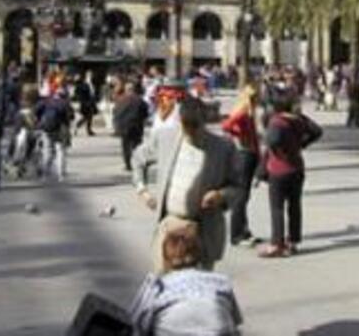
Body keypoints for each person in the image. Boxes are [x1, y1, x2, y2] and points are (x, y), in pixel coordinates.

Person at [132, 97, 242, 273]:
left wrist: (221, 195)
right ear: (180, 122)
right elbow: (138, 158)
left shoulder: (224, 148)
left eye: (195, 127)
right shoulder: (165, 138)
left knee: (198, 289)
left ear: (204, 122)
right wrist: (142, 189)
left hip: (203, 230)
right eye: (186, 127)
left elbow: (239, 186)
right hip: (170, 226)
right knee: (165, 286)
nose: (191, 132)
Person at [129, 226, 243, 336]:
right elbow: (235, 321)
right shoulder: (220, 282)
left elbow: (136, 324)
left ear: (165, 258)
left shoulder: (157, 287)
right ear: (199, 255)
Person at [258, 89, 323, 258]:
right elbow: (317, 131)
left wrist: (277, 150)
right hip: (297, 167)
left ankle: (277, 243)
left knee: (277, 207)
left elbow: (272, 140)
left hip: (279, 169)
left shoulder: (276, 122)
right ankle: (293, 241)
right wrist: (302, 144)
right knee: (295, 206)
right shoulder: (299, 119)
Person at [220, 86, 261, 246]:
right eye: (254, 97)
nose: (256, 100)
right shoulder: (243, 112)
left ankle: (244, 230)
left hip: (250, 154)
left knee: (245, 196)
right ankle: (237, 234)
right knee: (241, 196)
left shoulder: (248, 112)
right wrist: (239, 136)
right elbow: (226, 126)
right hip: (244, 155)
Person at [37, 87, 73, 181]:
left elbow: (37, 111)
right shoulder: (65, 103)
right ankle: (61, 175)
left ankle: (44, 175)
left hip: (47, 129)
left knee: (47, 151)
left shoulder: (47, 102)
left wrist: (40, 121)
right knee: (60, 151)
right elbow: (71, 117)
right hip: (60, 130)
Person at [114, 82, 150, 172]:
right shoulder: (140, 100)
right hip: (136, 126)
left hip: (124, 126)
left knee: (125, 146)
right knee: (137, 145)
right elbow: (145, 113)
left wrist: (117, 125)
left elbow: (115, 112)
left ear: (126, 90)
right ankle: (137, 163)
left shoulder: (120, 100)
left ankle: (127, 164)